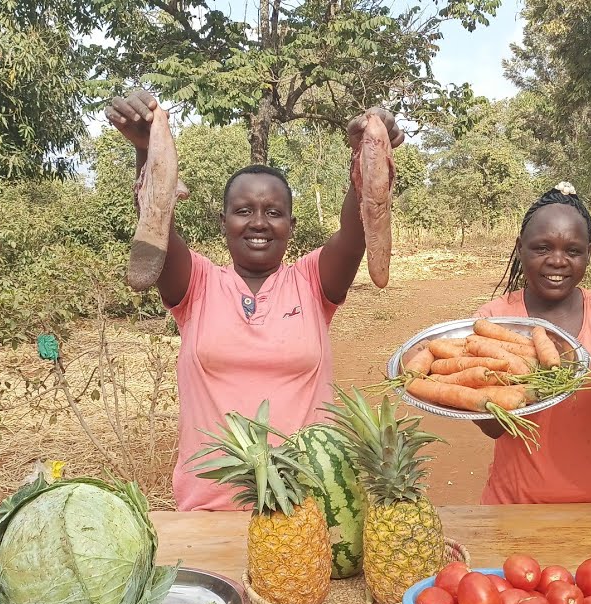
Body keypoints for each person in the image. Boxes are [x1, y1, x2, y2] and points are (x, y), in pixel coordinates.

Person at [104, 91, 404, 511]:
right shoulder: (197, 283)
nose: (259, 222)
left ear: (291, 225)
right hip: (209, 510)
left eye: (274, 212)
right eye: (244, 211)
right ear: (223, 221)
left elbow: (356, 236)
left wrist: (367, 154)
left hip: (305, 508)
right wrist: (147, 147)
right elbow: (156, 228)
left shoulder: (313, 281)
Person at [472, 182, 591, 504]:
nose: (557, 261)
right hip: (516, 504)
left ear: (588, 254)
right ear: (520, 248)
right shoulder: (495, 319)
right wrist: (466, 391)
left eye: (573, 251)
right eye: (542, 248)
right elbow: (495, 429)